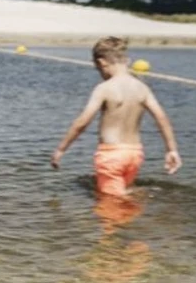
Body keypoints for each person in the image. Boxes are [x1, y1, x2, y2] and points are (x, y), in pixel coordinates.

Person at [51, 37, 182, 196]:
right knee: (123, 194)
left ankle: (143, 198)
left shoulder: (104, 88)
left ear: (102, 63)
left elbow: (82, 122)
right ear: (127, 61)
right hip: (135, 153)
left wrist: (61, 149)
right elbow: (162, 118)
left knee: (110, 201)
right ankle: (138, 200)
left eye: (98, 69)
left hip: (111, 154)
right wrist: (171, 150)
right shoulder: (142, 88)